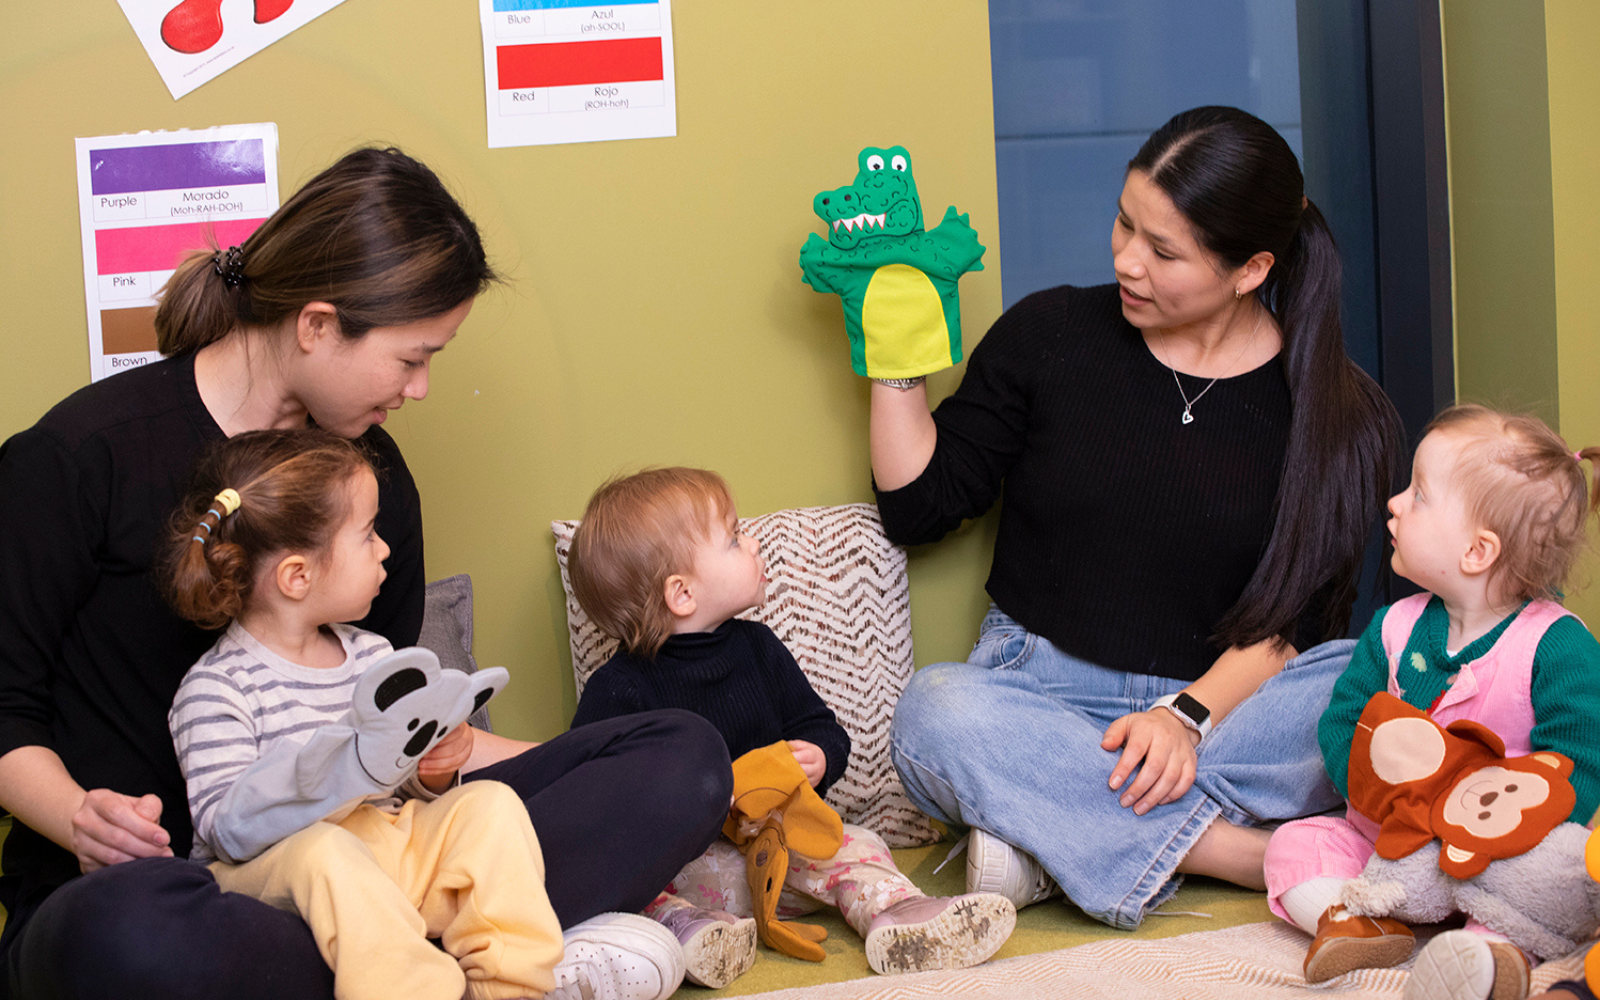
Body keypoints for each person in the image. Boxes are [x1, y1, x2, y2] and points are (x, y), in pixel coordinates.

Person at [0, 147, 730, 1000]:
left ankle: (397, 965)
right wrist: (80, 820)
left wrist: (511, 762)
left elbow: (383, 719)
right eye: (412, 357)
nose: (420, 390)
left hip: (375, 864)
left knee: (686, 758)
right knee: (122, 936)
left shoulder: (373, 483)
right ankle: (454, 955)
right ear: (316, 324)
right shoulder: (78, 459)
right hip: (178, 892)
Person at [868, 105, 1405, 930]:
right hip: (1036, 692)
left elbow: (1292, 628)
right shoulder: (1050, 335)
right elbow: (919, 506)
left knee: (1362, 684)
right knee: (935, 711)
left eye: (1163, 251)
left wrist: (1183, 717)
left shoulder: (1342, 415)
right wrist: (892, 352)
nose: (1126, 261)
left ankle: (1050, 835)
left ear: (1251, 268)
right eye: (1125, 224)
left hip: (1221, 711)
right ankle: (1242, 852)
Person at [565, 467, 1017, 985]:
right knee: (633, 877)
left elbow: (822, 727)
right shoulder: (619, 689)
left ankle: (898, 916)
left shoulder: (759, 650)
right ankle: (690, 932)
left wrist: (819, 756)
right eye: (735, 539)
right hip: (700, 868)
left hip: (783, 849)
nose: (754, 544)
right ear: (682, 594)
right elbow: (590, 795)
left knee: (860, 844)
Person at [164, 427, 566, 1000]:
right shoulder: (217, 688)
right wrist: (338, 770)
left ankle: (511, 985)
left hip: (385, 848)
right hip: (278, 875)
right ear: (297, 576)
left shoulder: (375, 658)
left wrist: (433, 771)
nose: (385, 549)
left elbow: (401, 794)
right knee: (325, 850)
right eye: (368, 534)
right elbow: (227, 829)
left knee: (489, 805)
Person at [1262, 405, 1600, 1000]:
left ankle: (1486, 954)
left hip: (1498, 850)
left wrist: (1499, 826)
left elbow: (1582, 763)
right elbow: (1344, 721)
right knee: (1293, 847)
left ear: (1477, 550)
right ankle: (1360, 920)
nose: (1394, 502)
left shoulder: (1558, 645)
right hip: (1390, 838)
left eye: (1418, 494)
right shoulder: (1394, 626)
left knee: (1552, 880)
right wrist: (1380, 793)